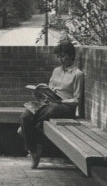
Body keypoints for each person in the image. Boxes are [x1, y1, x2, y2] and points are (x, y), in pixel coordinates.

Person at [19, 40, 84, 169]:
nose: (60, 59)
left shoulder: (78, 74)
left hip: (65, 107)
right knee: (25, 116)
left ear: (71, 55)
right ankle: (34, 149)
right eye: (58, 56)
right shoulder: (56, 71)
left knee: (52, 109)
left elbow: (76, 100)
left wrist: (61, 101)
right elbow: (50, 89)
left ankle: (28, 133)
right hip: (48, 104)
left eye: (63, 56)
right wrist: (40, 94)